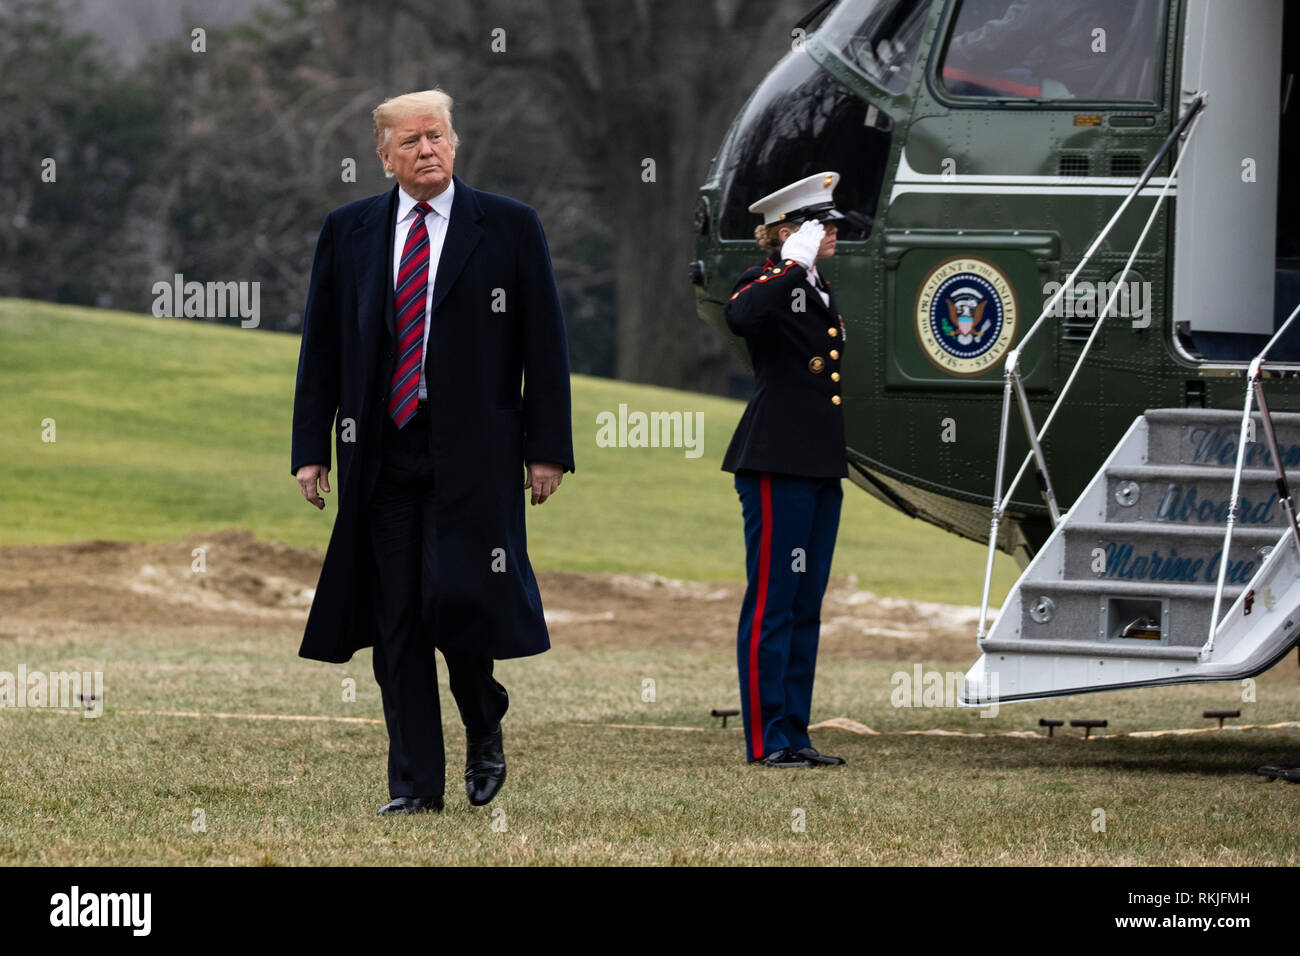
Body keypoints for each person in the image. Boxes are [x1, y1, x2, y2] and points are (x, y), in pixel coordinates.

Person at [290, 89, 574, 815]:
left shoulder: (508, 226)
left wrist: (547, 450)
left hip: (476, 458)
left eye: (438, 136)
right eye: (411, 142)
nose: (427, 151)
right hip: (380, 455)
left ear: (456, 142)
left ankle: (484, 718)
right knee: (397, 621)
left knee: (459, 599)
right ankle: (416, 789)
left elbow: (543, 344)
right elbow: (321, 346)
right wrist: (310, 450)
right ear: (384, 156)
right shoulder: (349, 230)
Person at [721, 172, 849, 768]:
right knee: (773, 600)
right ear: (786, 232)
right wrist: (790, 267)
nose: (833, 232)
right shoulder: (768, 281)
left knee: (804, 601)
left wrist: (804, 273)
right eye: (819, 224)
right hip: (776, 460)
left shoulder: (817, 287)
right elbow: (743, 317)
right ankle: (765, 739)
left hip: (818, 463)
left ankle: (794, 732)